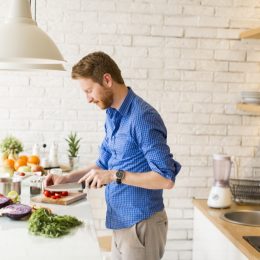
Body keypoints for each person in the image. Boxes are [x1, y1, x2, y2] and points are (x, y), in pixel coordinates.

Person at [45, 51, 181, 260]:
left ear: (107, 80)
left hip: (141, 224)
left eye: (89, 90)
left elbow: (165, 178)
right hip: (121, 222)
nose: (88, 99)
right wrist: (67, 179)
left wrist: (114, 175)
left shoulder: (142, 118)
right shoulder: (112, 115)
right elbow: (102, 164)